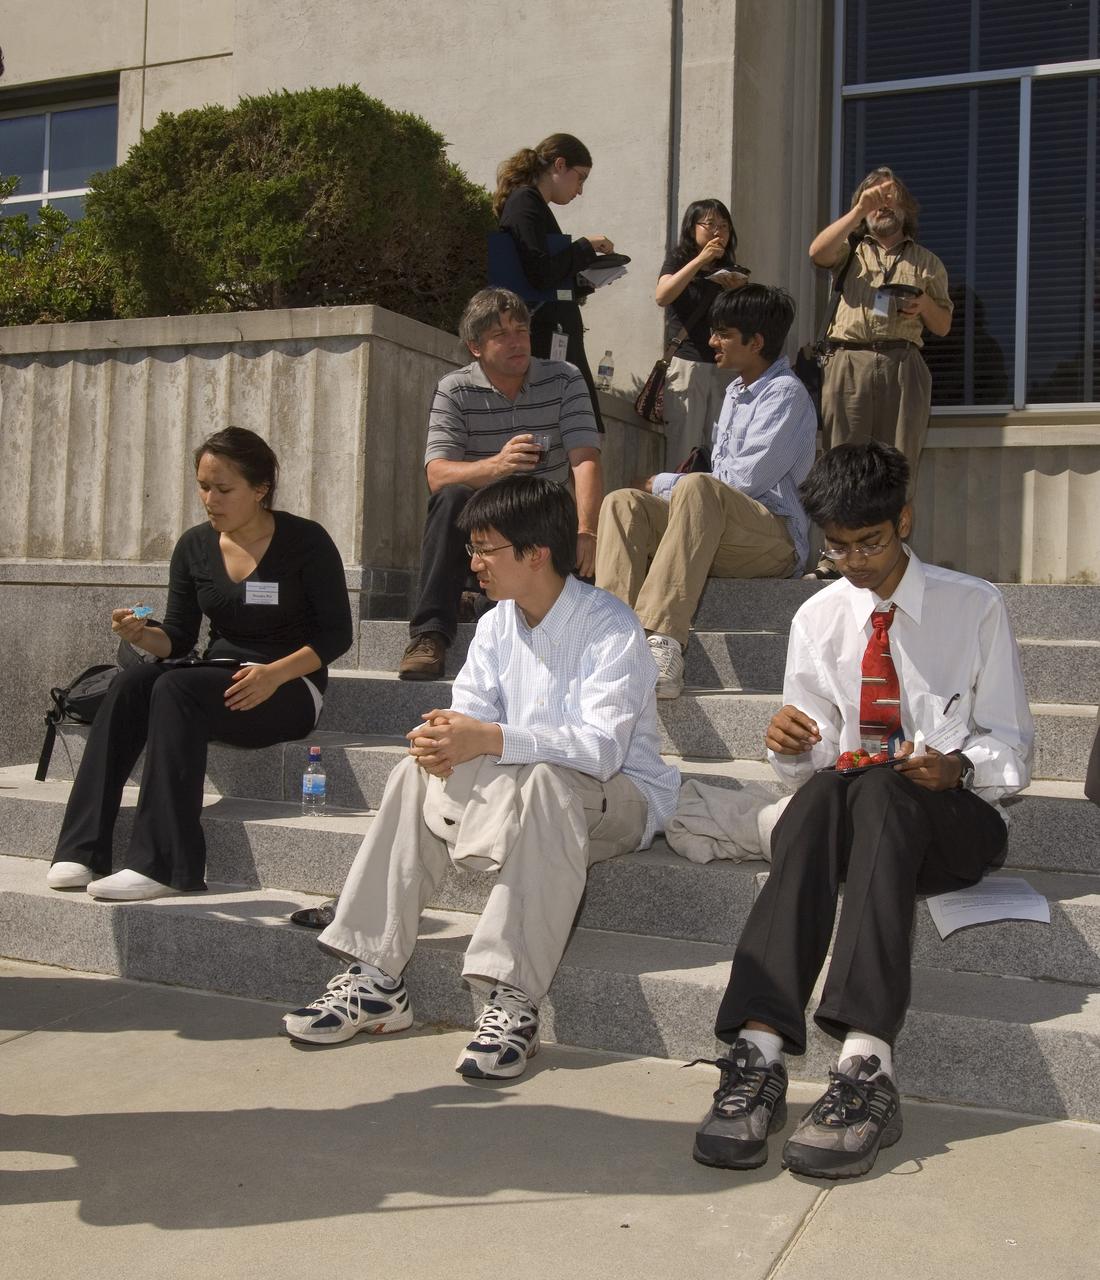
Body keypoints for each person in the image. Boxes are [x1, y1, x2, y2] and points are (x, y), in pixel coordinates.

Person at [692, 441, 1034, 1180]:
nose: (853, 560)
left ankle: (867, 1064)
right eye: (837, 546)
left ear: (903, 519)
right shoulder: (817, 617)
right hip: (860, 818)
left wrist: (959, 767)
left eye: (868, 542)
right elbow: (813, 759)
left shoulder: (973, 605)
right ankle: (759, 1051)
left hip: (955, 820)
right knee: (823, 792)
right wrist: (790, 744)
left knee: (883, 789)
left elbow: (1013, 748)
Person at [284, 475, 680, 1081]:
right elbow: (472, 715)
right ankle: (374, 979)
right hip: (521, 788)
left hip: (619, 798)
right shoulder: (496, 625)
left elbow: (601, 751)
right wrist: (445, 739)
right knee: (417, 775)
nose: (473, 564)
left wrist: (488, 739)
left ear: (535, 553)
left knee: (549, 782)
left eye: (485, 549)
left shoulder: (610, 625)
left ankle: (512, 997)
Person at [46, 427, 354, 901]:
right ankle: (82, 850)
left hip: (288, 687)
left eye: (223, 489)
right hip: (217, 680)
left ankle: (165, 865)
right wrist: (142, 635)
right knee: (135, 681)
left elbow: (337, 634)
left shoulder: (306, 542)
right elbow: (178, 636)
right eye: (203, 487)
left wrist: (273, 675)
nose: (210, 499)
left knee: (174, 690)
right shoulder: (194, 546)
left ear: (260, 488)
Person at [594, 285, 817, 699]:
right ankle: (614, 643)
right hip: (721, 530)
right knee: (622, 503)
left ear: (756, 341)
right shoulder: (735, 391)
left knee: (696, 486)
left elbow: (744, 481)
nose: (712, 342)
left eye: (724, 334)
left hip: (774, 541)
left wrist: (663, 483)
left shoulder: (786, 394)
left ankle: (662, 640)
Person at [398, 287, 603, 681]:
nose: (517, 342)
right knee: (450, 497)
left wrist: (587, 530)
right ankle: (430, 634)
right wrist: (497, 465)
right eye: (501, 335)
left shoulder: (564, 379)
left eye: (521, 331)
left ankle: (478, 603)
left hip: (544, 513)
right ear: (475, 347)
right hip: (485, 518)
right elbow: (436, 474)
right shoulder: (454, 389)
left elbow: (585, 459)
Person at [809, 166, 951, 478]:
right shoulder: (850, 251)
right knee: (843, 467)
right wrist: (858, 211)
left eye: (891, 198)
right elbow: (817, 252)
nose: (882, 206)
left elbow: (942, 326)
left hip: (902, 365)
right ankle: (842, 527)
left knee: (897, 468)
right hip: (848, 363)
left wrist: (925, 304)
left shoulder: (928, 262)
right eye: (874, 200)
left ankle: (890, 527)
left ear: (906, 208)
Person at [494, 133, 613, 430]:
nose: (580, 191)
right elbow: (539, 271)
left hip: (552, 339)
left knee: (581, 435)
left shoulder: (531, 204)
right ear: (560, 165)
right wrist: (585, 246)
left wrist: (583, 280)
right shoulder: (525, 202)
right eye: (580, 178)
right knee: (579, 436)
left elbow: (542, 272)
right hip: (545, 340)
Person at [655, 198, 746, 466]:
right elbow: (662, 296)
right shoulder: (678, 259)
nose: (718, 231)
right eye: (710, 224)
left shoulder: (730, 269)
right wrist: (700, 261)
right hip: (687, 365)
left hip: (723, 369)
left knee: (721, 450)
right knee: (685, 450)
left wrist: (735, 291)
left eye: (724, 226)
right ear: (692, 228)